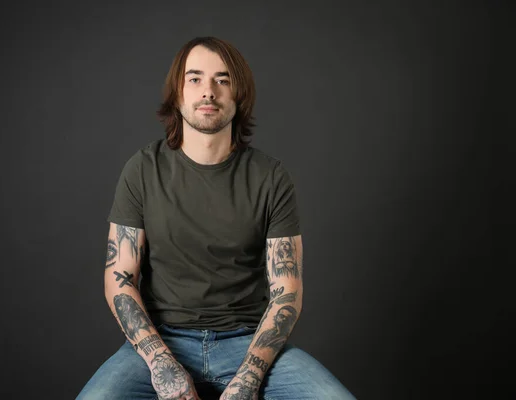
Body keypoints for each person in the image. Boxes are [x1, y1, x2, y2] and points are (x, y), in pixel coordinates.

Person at [77, 36, 355, 400]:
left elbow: (287, 293)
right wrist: (162, 365)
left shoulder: (271, 177)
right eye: (195, 79)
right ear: (177, 95)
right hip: (161, 342)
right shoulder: (142, 170)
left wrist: (249, 377)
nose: (208, 91)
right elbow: (120, 280)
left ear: (239, 97)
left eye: (222, 80)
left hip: (249, 342)